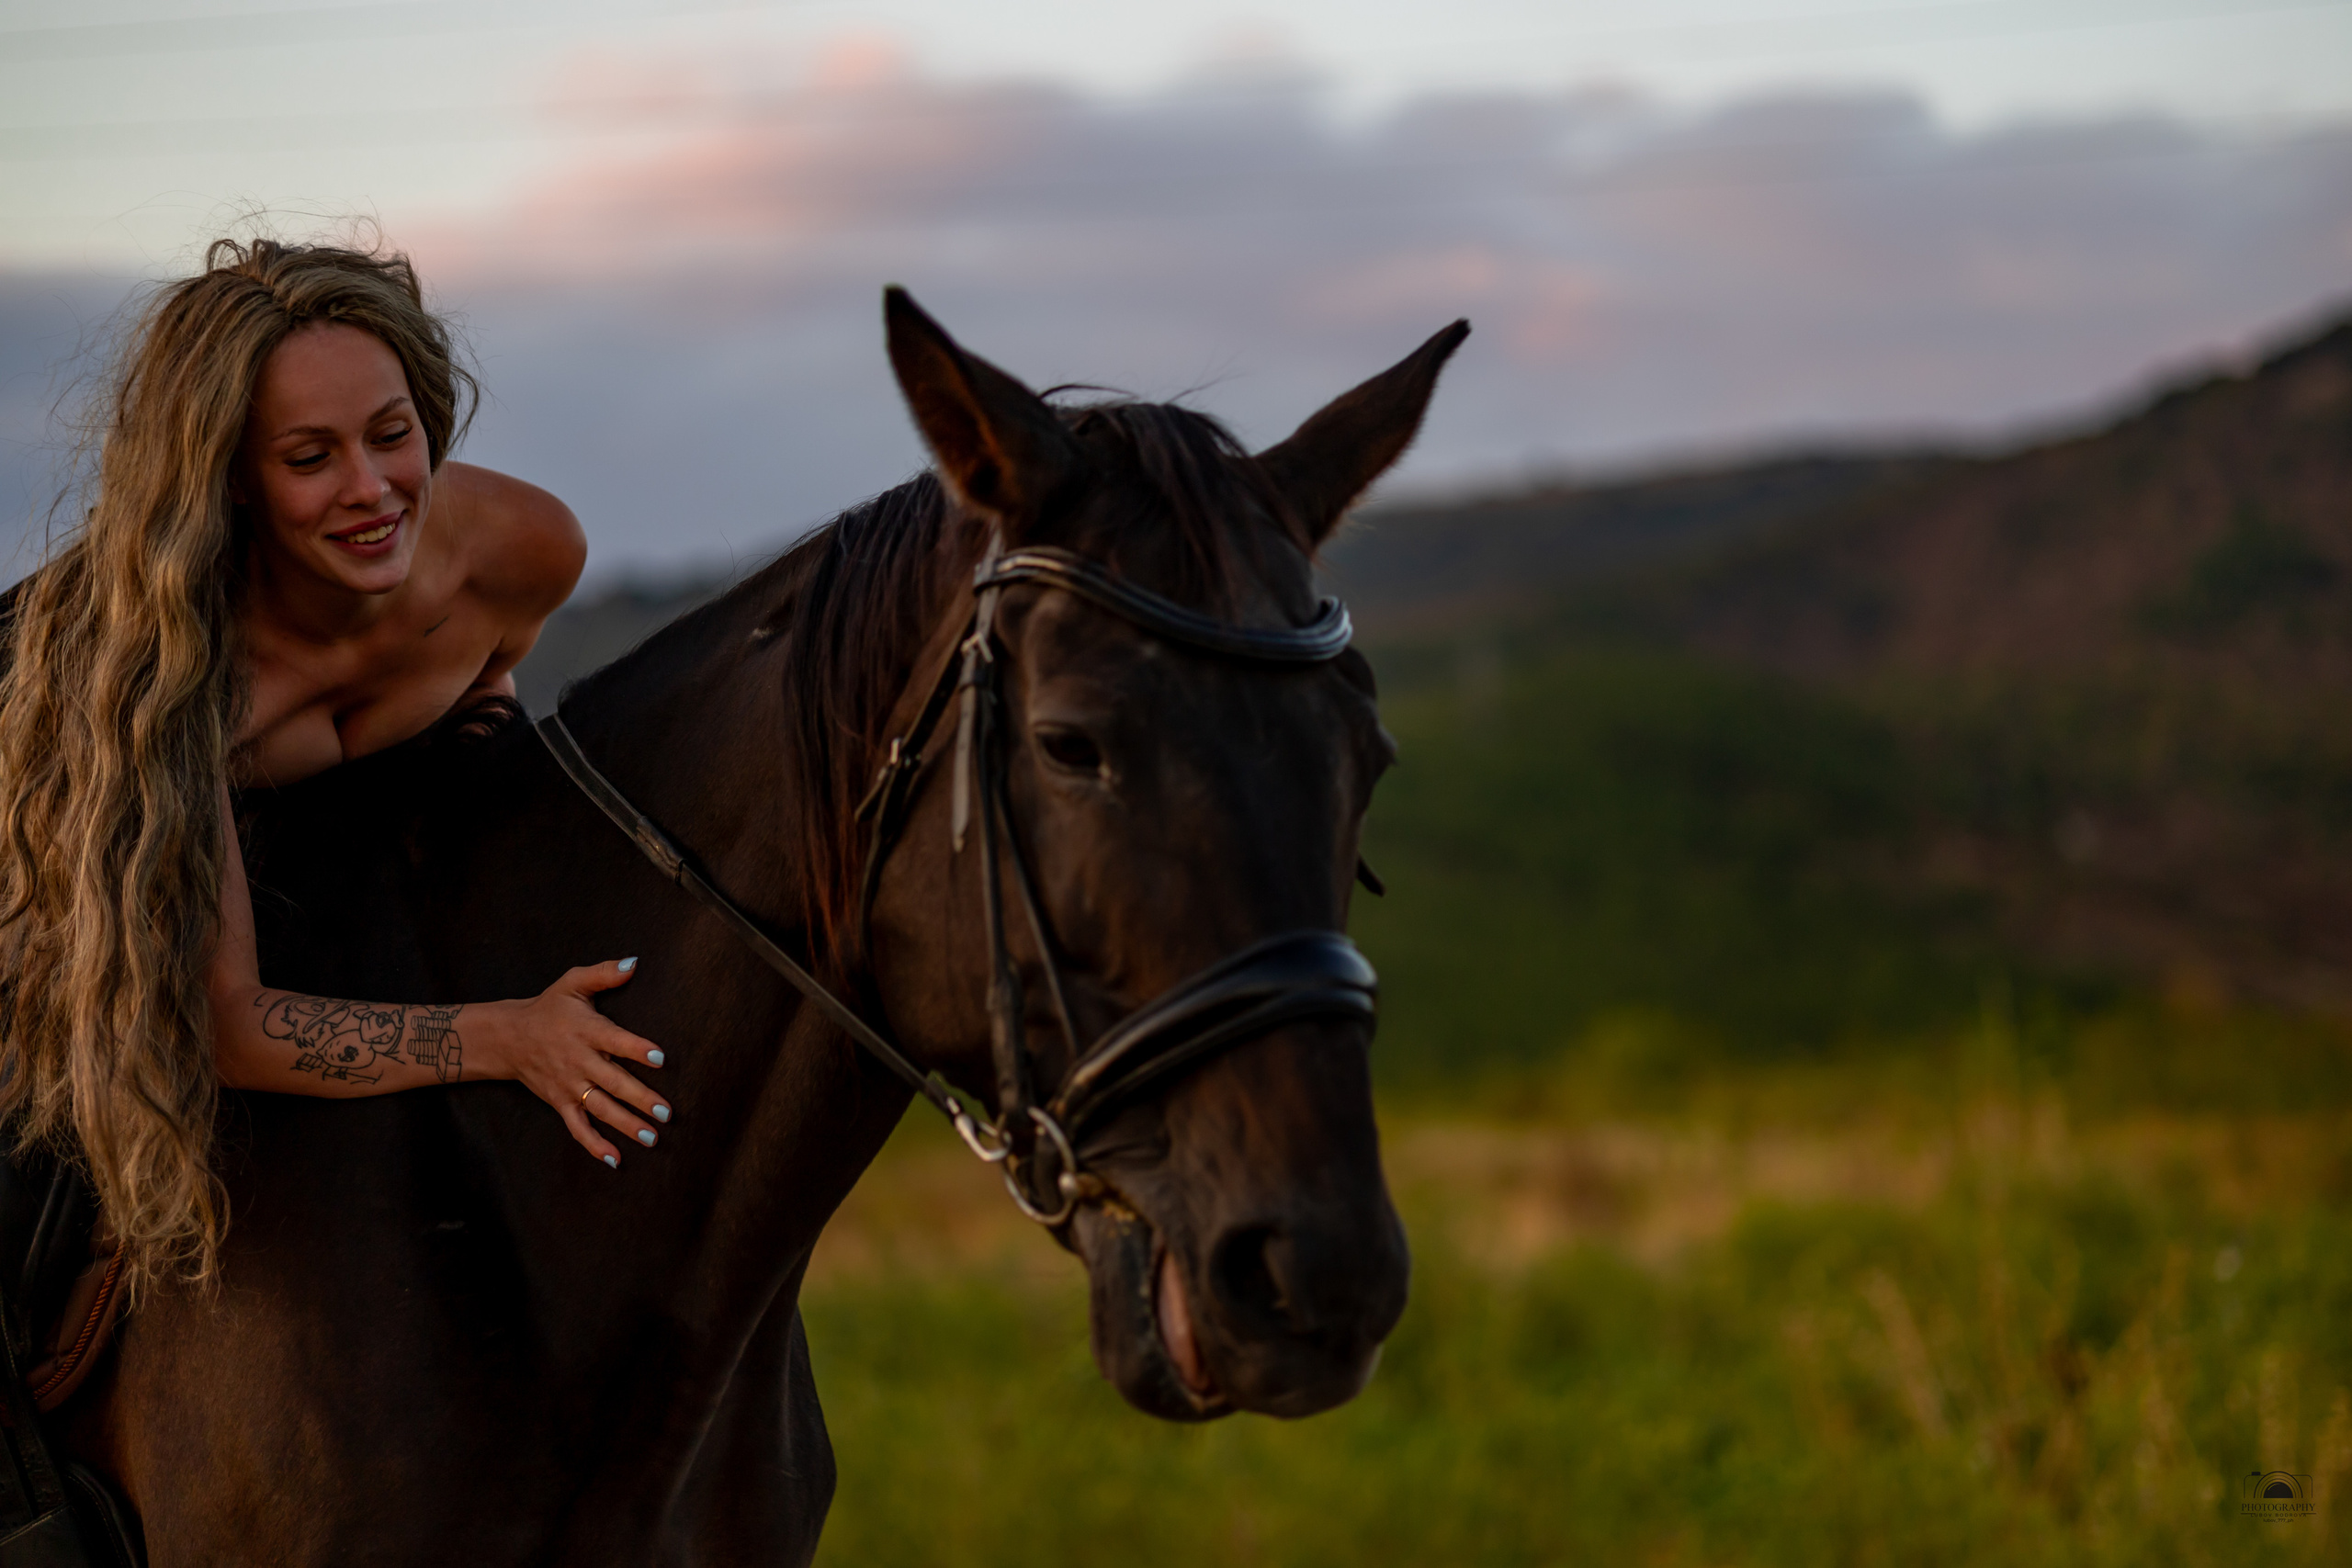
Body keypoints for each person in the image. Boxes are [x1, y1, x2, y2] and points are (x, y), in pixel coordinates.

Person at [0, 237, 669, 1299]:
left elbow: (477, 698)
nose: (372, 490)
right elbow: (227, 1024)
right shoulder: (154, 676)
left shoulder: (527, 552)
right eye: (309, 459)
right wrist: (505, 1038)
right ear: (229, 479)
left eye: (392, 435)